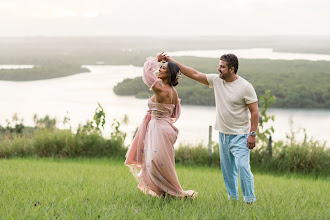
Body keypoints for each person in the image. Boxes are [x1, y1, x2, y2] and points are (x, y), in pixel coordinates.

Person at [165, 53, 258, 203]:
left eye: (222, 66)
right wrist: (172, 62)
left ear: (232, 69)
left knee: (242, 167)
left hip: (241, 135)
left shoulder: (245, 87)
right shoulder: (216, 80)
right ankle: (233, 199)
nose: (218, 69)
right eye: (219, 65)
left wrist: (252, 134)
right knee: (228, 171)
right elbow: (194, 74)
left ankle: (249, 200)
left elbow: (254, 112)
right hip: (223, 135)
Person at [125, 52, 196, 198]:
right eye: (160, 67)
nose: (159, 70)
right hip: (166, 128)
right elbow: (174, 113)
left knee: (154, 162)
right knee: (162, 162)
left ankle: (173, 193)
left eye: (163, 68)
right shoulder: (173, 92)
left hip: (158, 127)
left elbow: (146, 73)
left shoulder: (160, 89)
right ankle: (165, 193)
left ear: (169, 73)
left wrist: (155, 60)